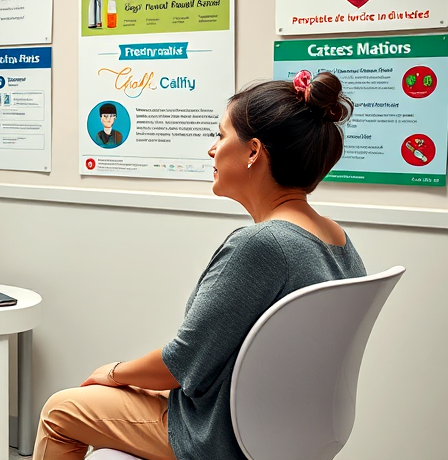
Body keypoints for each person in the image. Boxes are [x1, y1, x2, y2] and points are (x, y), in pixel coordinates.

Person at [36, 71, 363, 460]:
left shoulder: (263, 245)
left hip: (219, 434)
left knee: (61, 410)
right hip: (284, 431)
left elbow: (181, 362)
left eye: (221, 135)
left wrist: (112, 372)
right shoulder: (336, 240)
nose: (212, 149)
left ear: (253, 152)